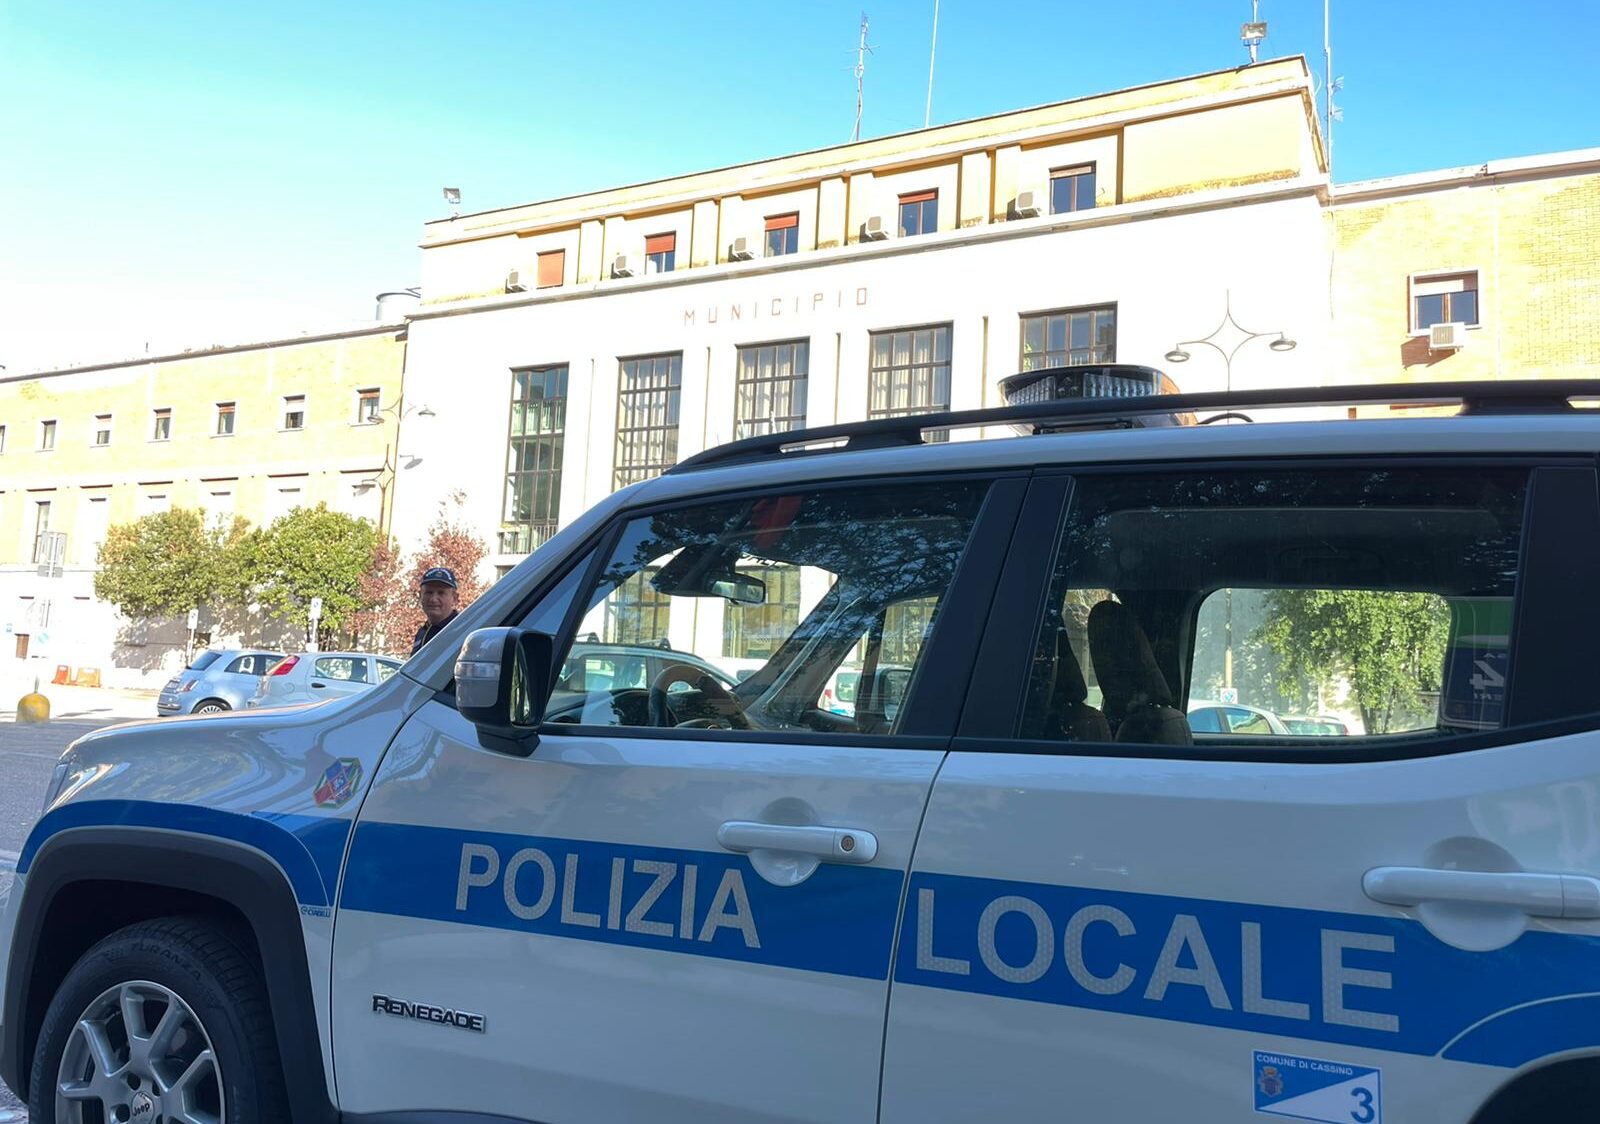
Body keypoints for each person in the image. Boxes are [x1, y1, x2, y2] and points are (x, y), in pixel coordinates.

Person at [411, 567, 461, 656]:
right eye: (429, 592)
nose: (433, 599)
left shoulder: (461, 630)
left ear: (455, 598)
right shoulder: (422, 632)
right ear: (420, 596)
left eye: (441, 593)